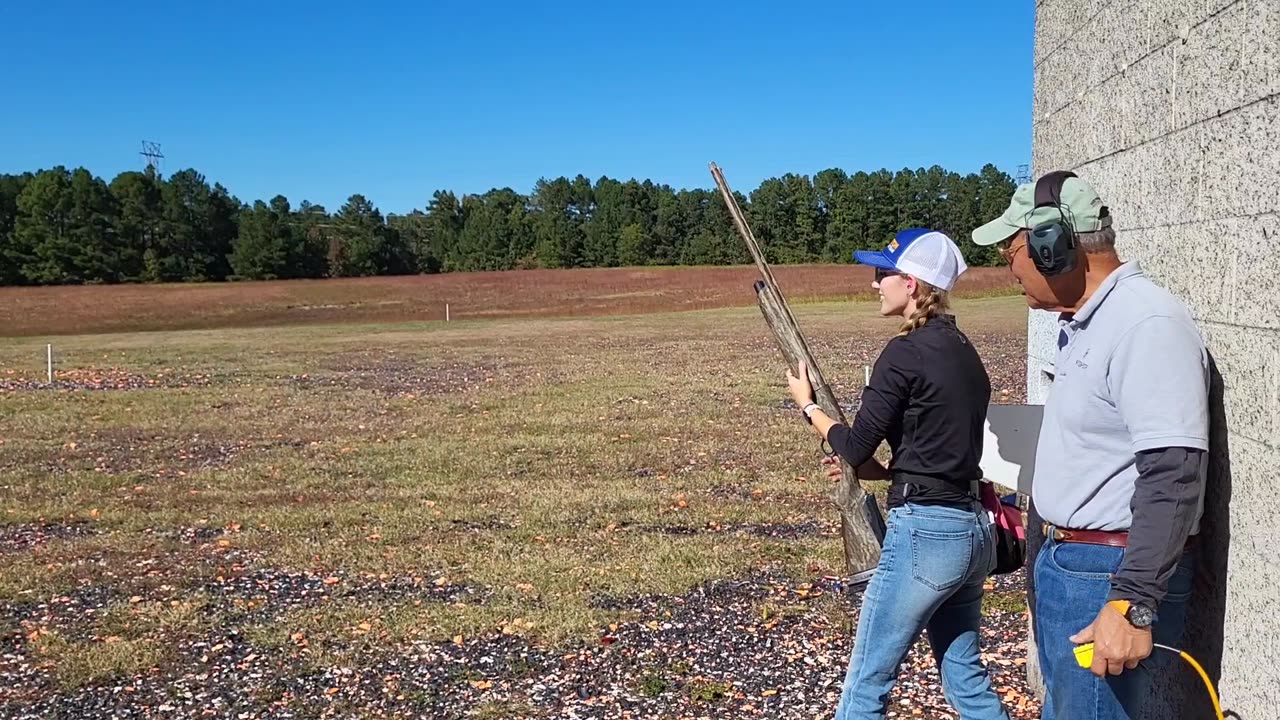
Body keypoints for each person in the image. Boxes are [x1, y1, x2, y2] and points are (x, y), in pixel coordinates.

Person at [970, 171, 1209, 720]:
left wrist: (1132, 604)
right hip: (1078, 567)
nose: (1010, 270)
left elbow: (1174, 473)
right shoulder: (1085, 323)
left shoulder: (1145, 324)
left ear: (1052, 246)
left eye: (1012, 253)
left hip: (1109, 578)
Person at [786, 228, 1010, 720]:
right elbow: (933, 450)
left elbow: (855, 443)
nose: (874, 285)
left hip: (925, 534)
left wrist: (808, 409)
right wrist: (885, 472)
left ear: (911, 284)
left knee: (866, 684)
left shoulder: (903, 353)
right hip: (972, 532)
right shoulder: (965, 352)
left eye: (882, 274)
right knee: (966, 679)